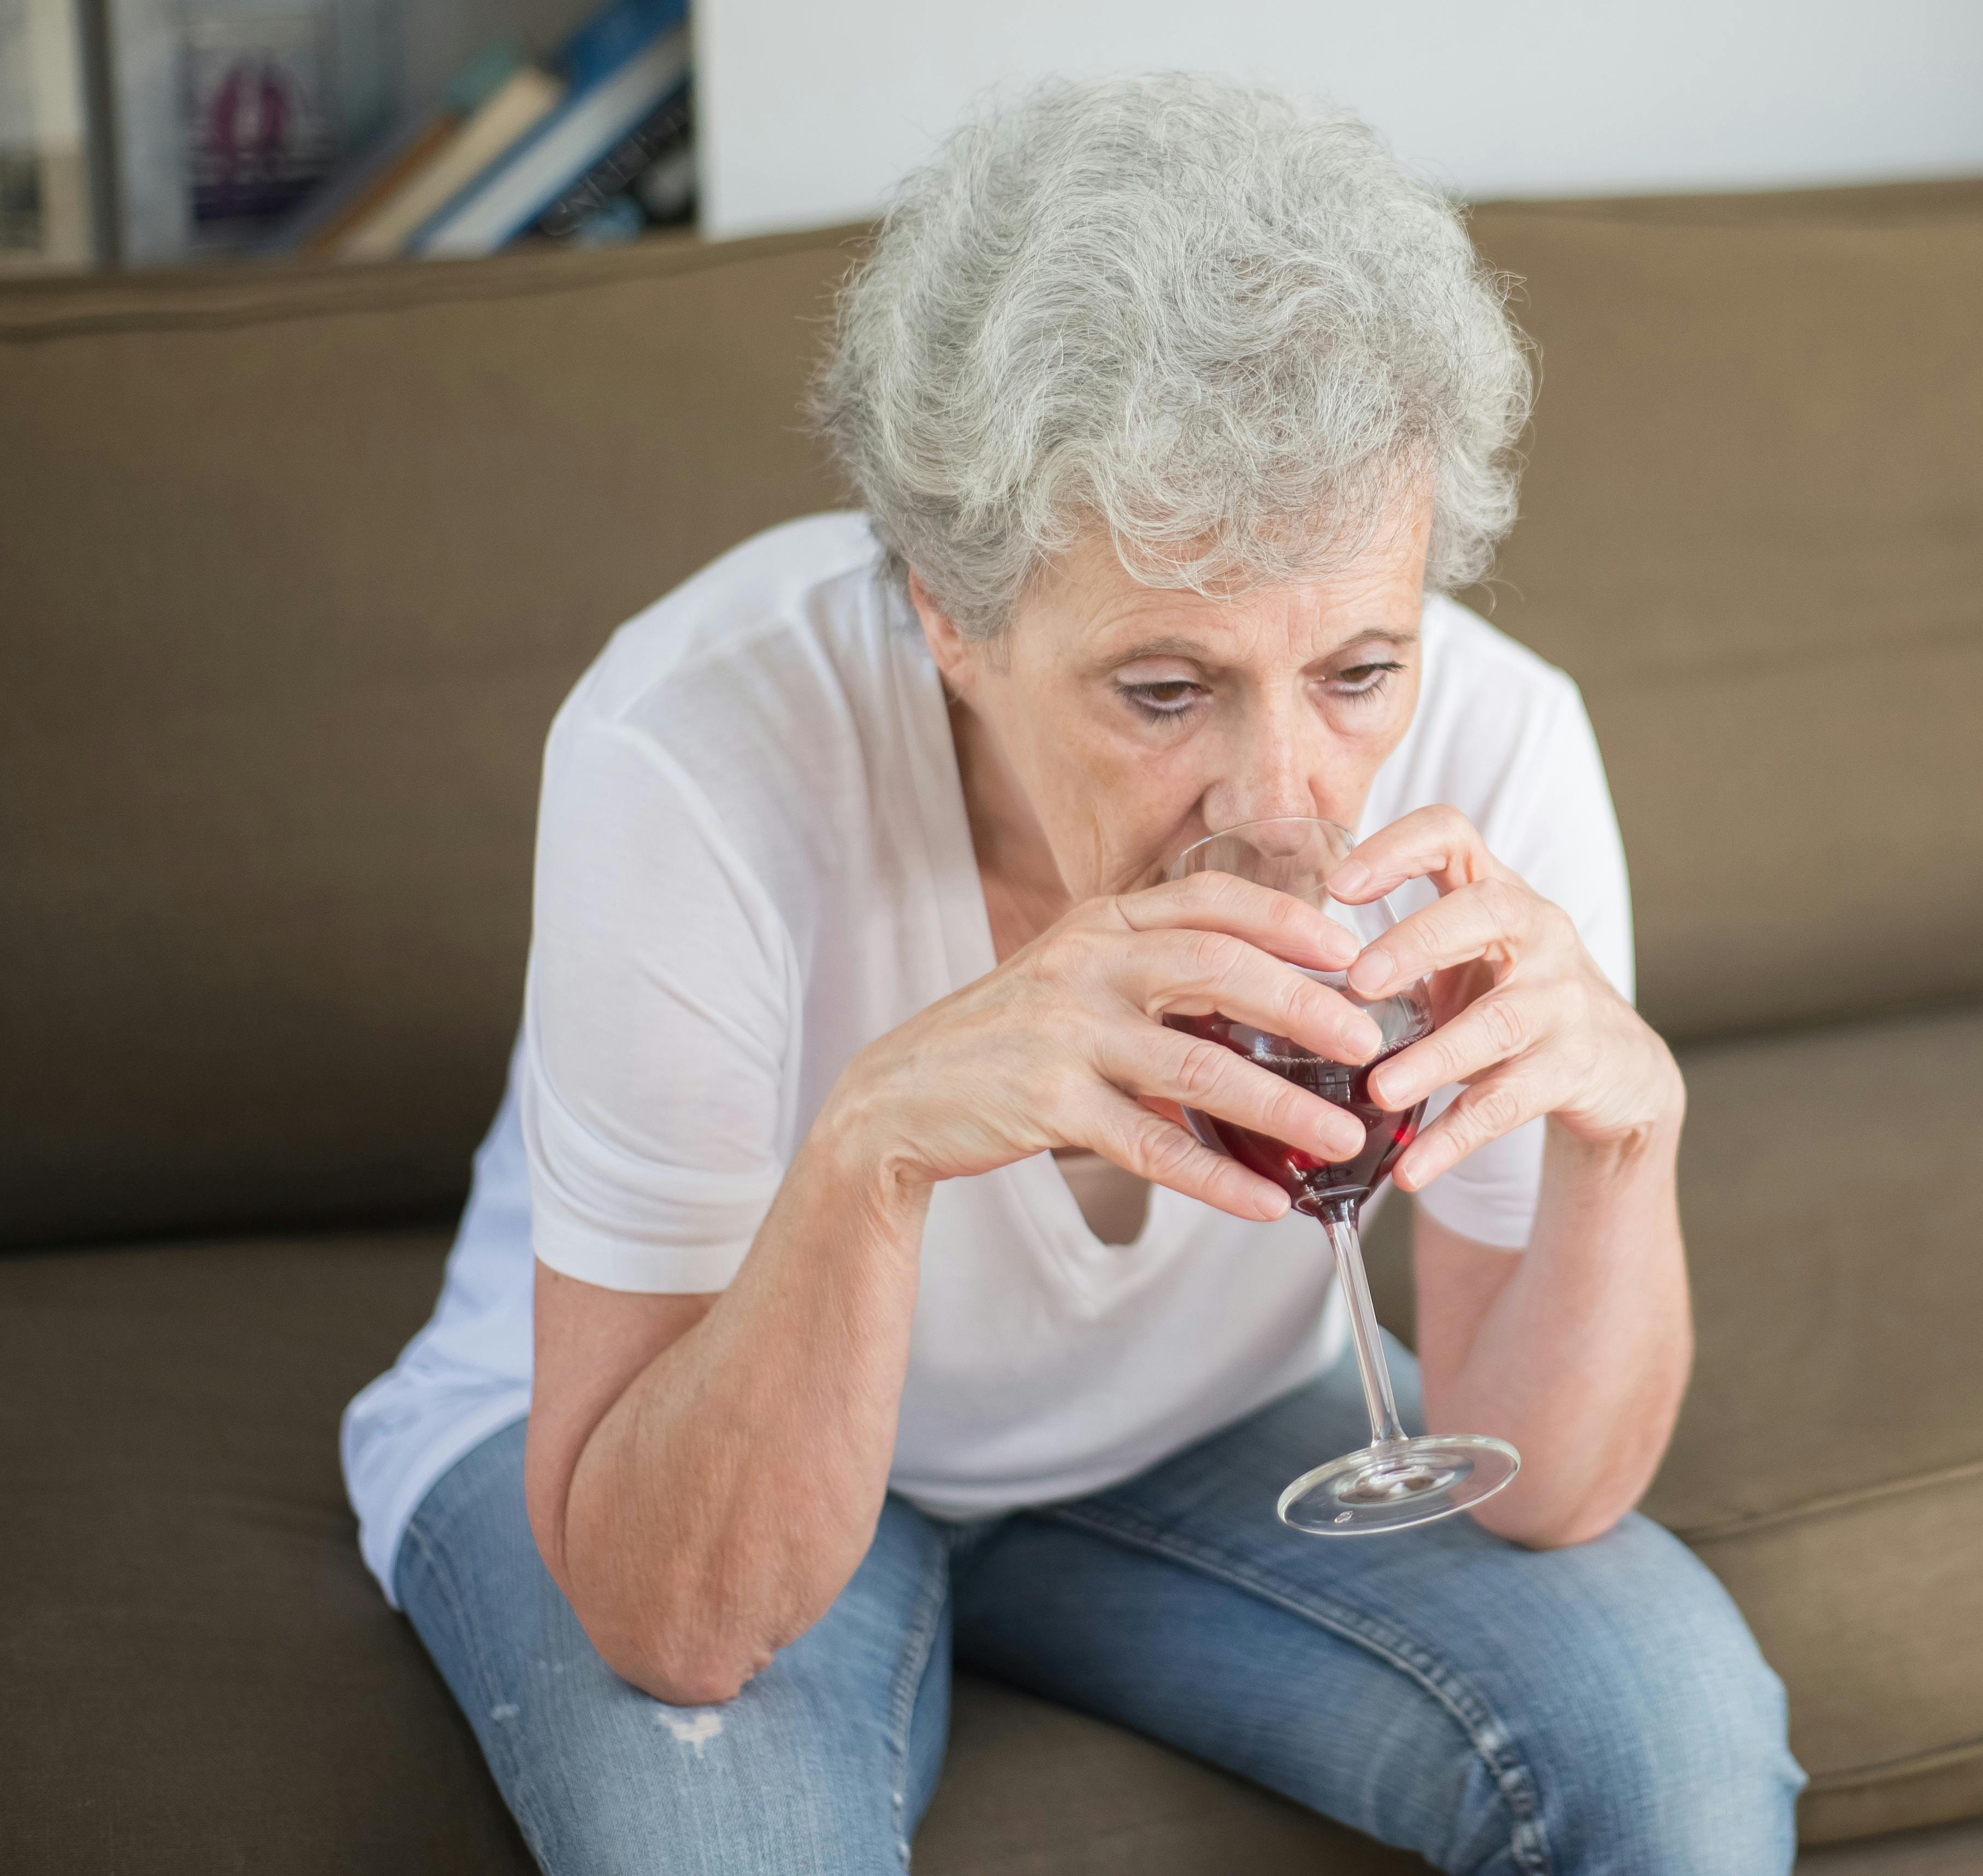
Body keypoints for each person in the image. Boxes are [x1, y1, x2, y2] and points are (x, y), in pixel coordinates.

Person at [344, 72, 1801, 1874]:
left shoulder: (1501, 750)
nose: (1282, 808)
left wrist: (1629, 1137)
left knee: (1676, 1748)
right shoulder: (693, 745)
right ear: (947, 618)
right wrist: (875, 1150)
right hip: (670, 1421)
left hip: (1198, 1439)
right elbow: (673, 1619)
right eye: (1165, 692)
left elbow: (1551, 1483)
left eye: (1355, 670)